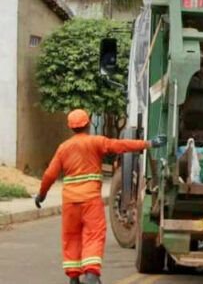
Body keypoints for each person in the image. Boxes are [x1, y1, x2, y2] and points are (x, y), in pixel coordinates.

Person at [35, 109, 165, 284]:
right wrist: (149, 143)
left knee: (71, 236)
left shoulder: (63, 148)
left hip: (70, 203)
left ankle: (74, 277)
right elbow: (121, 145)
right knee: (94, 235)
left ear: (71, 127)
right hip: (90, 201)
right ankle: (91, 274)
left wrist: (41, 195)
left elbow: (50, 175)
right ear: (88, 124)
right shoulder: (96, 142)